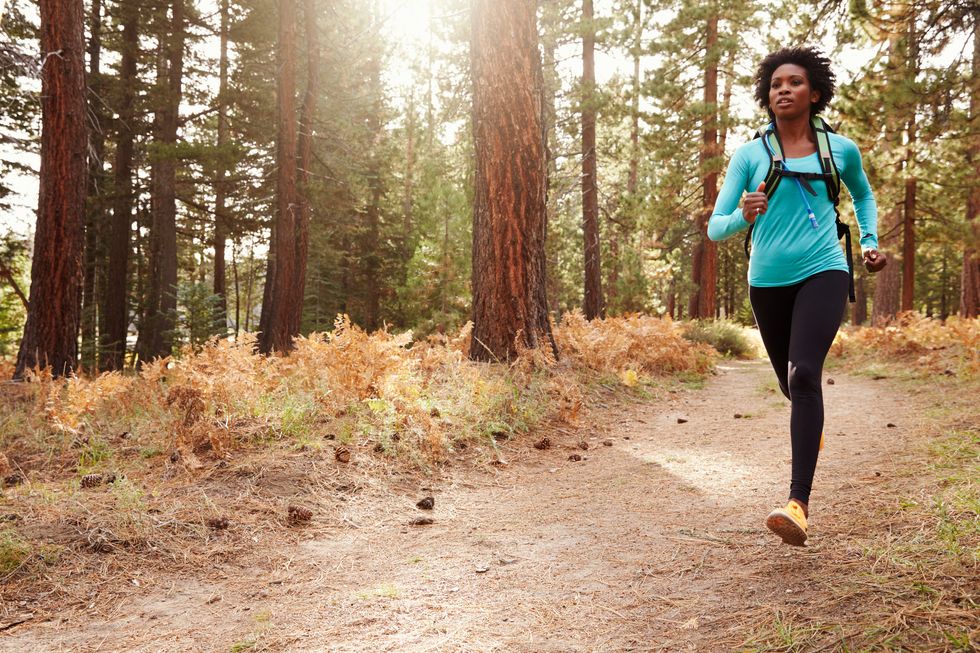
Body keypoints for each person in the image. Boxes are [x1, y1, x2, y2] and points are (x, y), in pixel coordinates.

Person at [707, 46, 887, 546]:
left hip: (824, 268)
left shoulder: (840, 150)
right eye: (775, 84)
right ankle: (812, 425)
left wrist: (869, 242)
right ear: (767, 96)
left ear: (815, 93)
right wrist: (744, 214)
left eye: (794, 82)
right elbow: (714, 229)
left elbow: (863, 195)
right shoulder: (749, 155)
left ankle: (797, 504)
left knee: (804, 374)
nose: (783, 89)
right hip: (767, 282)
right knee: (793, 389)